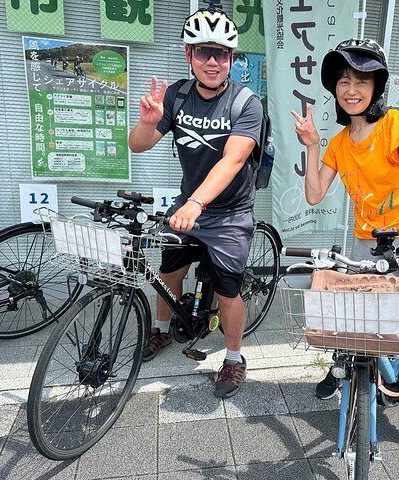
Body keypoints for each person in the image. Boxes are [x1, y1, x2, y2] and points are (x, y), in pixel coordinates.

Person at [291, 38, 399, 434]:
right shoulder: (339, 143)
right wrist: (313, 146)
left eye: (362, 81)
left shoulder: (395, 124)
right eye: (344, 81)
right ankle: (346, 365)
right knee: (359, 316)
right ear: (335, 88)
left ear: (376, 87)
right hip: (368, 240)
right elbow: (314, 194)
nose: (352, 90)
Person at [128, 3, 263, 398]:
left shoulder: (245, 103)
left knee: (227, 292)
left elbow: (233, 160)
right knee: (169, 271)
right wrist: (147, 123)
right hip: (190, 204)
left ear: (231, 59)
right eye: (203, 52)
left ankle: (235, 358)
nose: (212, 61)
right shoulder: (176, 96)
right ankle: (162, 330)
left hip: (228, 212)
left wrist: (196, 204)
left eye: (221, 53)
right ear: (189, 55)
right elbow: (139, 146)